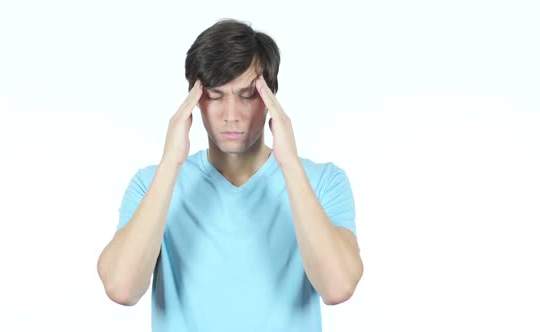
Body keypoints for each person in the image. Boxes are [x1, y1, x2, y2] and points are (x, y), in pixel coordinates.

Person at [97, 18, 363, 332]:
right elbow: (122, 288)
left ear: (270, 98)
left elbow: (338, 287)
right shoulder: (152, 185)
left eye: (247, 95)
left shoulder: (323, 182)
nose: (231, 115)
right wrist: (171, 163)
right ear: (194, 100)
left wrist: (289, 162)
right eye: (215, 95)